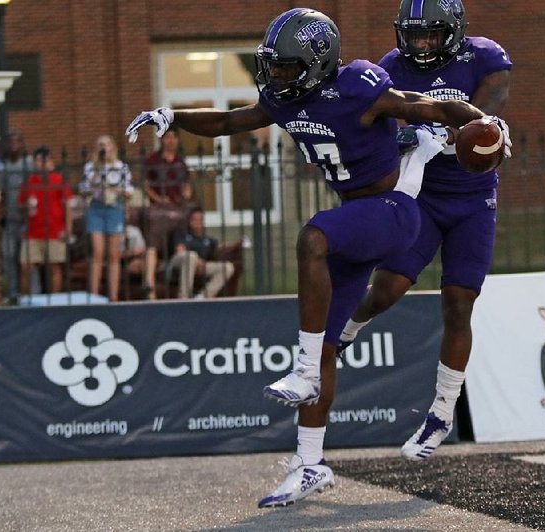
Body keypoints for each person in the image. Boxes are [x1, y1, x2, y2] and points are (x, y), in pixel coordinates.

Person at [126, 7, 494, 508]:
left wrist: (481, 120)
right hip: (359, 217)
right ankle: (310, 463)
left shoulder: (357, 88)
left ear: (318, 63)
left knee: (313, 238)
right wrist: (172, 116)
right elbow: (230, 120)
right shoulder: (284, 99)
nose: (275, 77)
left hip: (393, 213)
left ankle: (303, 370)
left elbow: (425, 105)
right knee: (325, 345)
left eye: (285, 68)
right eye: (271, 67)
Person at [333, 0, 513, 462]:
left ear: (453, 32)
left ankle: (441, 411)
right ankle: (346, 332)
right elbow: (381, 130)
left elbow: (488, 107)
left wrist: (484, 131)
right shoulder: (391, 68)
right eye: (415, 35)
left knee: (458, 303)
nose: (422, 44)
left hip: (474, 199)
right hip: (425, 194)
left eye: (432, 34)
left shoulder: (485, 57)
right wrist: (412, 137)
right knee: (386, 289)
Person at [79, 135, 133, 302]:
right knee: (98, 252)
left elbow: (128, 190)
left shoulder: (120, 167)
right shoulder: (91, 167)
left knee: (114, 255)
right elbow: (85, 188)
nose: (105, 148)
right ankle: (94, 295)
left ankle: (113, 296)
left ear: (113, 147)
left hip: (114, 207)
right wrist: (96, 172)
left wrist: (117, 190)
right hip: (96, 207)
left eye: (108, 144)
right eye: (101, 145)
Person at [143, 126, 193, 299]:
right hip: (160, 210)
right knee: (154, 243)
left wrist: (185, 196)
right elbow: (146, 186)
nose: (170, 141)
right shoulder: (153, 160)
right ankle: (150, 286)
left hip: (178, 208)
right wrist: (159, 199)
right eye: (167, 137)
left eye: (173, 137)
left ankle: (183, 291)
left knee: (181, 242)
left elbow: (187, 184)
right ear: (161, 139)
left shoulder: (180, 162)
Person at [17, 146, 73, 296]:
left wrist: (68, 229)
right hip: (33, 232)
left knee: (54, 267)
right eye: (38, 161)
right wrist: (25, 207)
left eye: (44, 160)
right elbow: (20, 206)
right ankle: (24, 301)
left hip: (55, 231)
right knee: (25, 266)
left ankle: (54, 300)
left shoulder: (58, 180)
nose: (41, 164)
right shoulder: (29, 182)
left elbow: (68, 206)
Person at [0, 130, 32, 303]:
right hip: (10, 221)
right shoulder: (4, 167)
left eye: (17, 142)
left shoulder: (29, 164)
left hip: (28, 220)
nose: (13, 146)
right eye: (10, 142)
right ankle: (12, 294)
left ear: (23, 144)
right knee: (8, 256)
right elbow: (0, 193)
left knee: (27, 259)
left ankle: (33, 293)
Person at [167, 207, 234, 299]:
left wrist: (237, 244)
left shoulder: (207, 239)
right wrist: (196, 260)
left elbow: (221, 246)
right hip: (179, 262)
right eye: (195, 219)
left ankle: (202, 297)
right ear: (189, 221)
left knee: (228, 267)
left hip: (200, 266)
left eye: (200, 220)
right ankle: (184, 298)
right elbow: (180, 250)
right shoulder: (181, 233)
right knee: (191, 256)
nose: (198, 222)